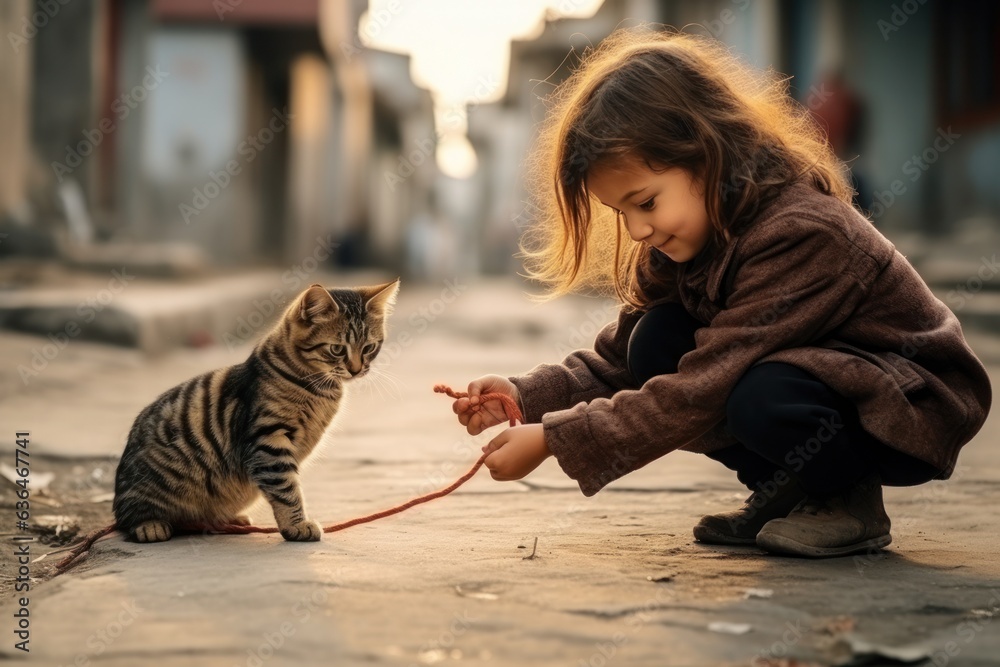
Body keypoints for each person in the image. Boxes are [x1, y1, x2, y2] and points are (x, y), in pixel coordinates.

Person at [447, 28, 991, 558]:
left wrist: (554, 441)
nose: (637, 230)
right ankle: (789, 491)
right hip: (817, 376)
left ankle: (845, 501)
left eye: (647, 202)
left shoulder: (802, 233)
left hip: (909, 397)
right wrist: (524, 397)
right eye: (622, 212)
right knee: (654, 342)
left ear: (708, 155)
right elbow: (618, 363)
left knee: (759, 392)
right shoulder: (681, 243)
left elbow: (702, 387)